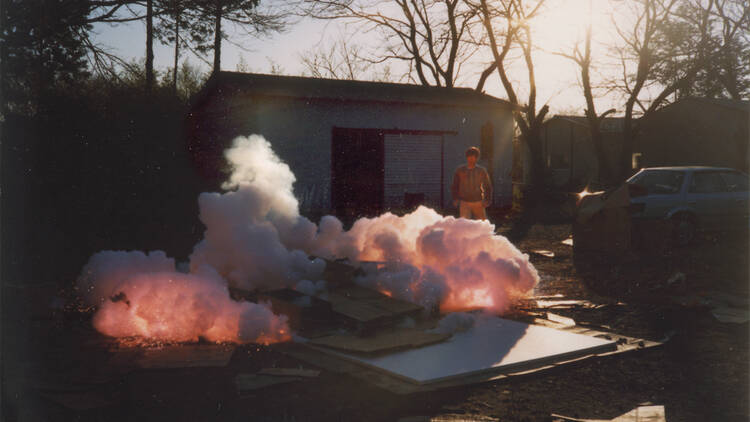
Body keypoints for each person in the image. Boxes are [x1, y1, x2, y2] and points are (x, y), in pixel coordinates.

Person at [451, 146, 493, 220]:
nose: (470, 158)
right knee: (464, 225)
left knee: (482, 225)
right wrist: (455, 198)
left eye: (473, 157)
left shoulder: (481, 171)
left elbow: (488, 186)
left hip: (478, 202)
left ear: (476, 158)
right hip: (464, 202)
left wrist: (487, 199)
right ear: (467, 157)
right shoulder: (460, 170)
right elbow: (455, 186)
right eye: (469, 156)